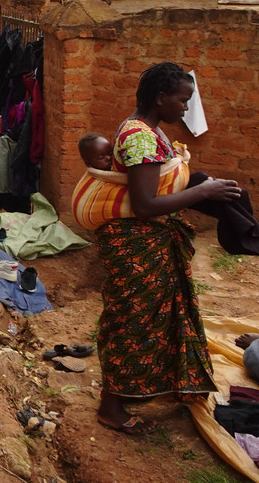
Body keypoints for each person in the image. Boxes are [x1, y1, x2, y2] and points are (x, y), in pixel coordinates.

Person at [94, 62, 242, 436]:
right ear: (160, 98)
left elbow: (162, 187)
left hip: (151, 242)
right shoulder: (141, 137)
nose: (186, 108)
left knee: (152, 322)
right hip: (136, 246)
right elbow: (144, 204)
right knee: (134, 322)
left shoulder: (150, 131)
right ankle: (111, 406)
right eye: (182, 100)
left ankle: (140, 387)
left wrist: (204, 187)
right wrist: (204, 191)